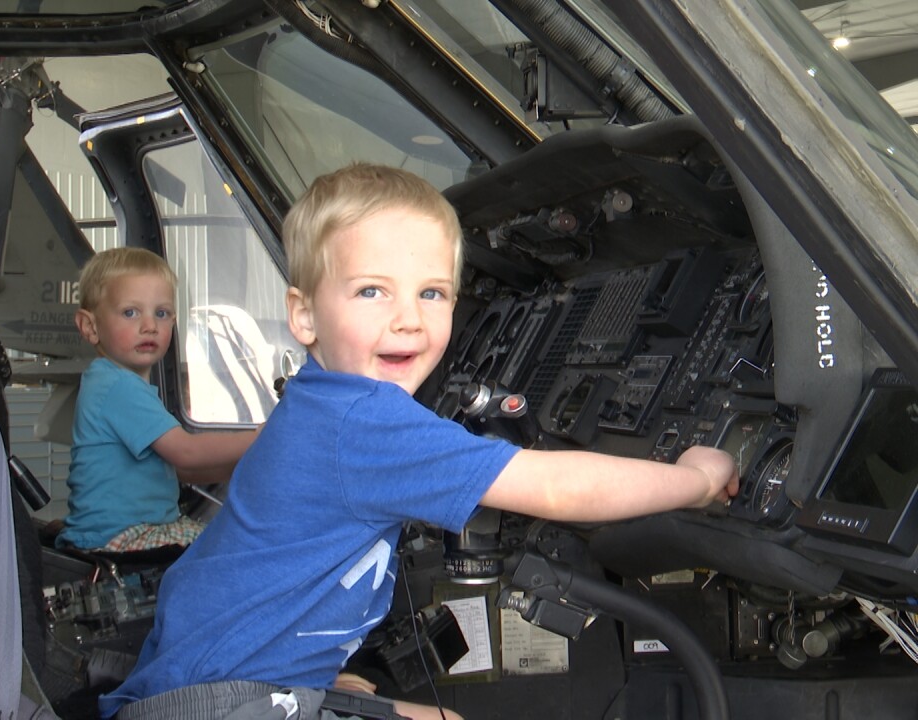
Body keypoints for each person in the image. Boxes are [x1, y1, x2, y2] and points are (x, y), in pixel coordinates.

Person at [99, 164, 739, 720]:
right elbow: (553, 485)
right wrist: (697, 479)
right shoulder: (365, 422)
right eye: (371, 291)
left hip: (201, 684)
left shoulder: (321, 400)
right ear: (303, 315)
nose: (408, 317)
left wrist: (307, 672)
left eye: (431, 293)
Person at [55, 247, 260, 554]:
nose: (149, 325)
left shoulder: (115, 382)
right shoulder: (117, 386)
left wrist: (245, 466)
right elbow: (186, 453)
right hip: (123, 536)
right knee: (240, 549)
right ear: (90, 326)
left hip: (131, 528)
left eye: (161, 313)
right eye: (130, 312)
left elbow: (180, 472)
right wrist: (263, 437)